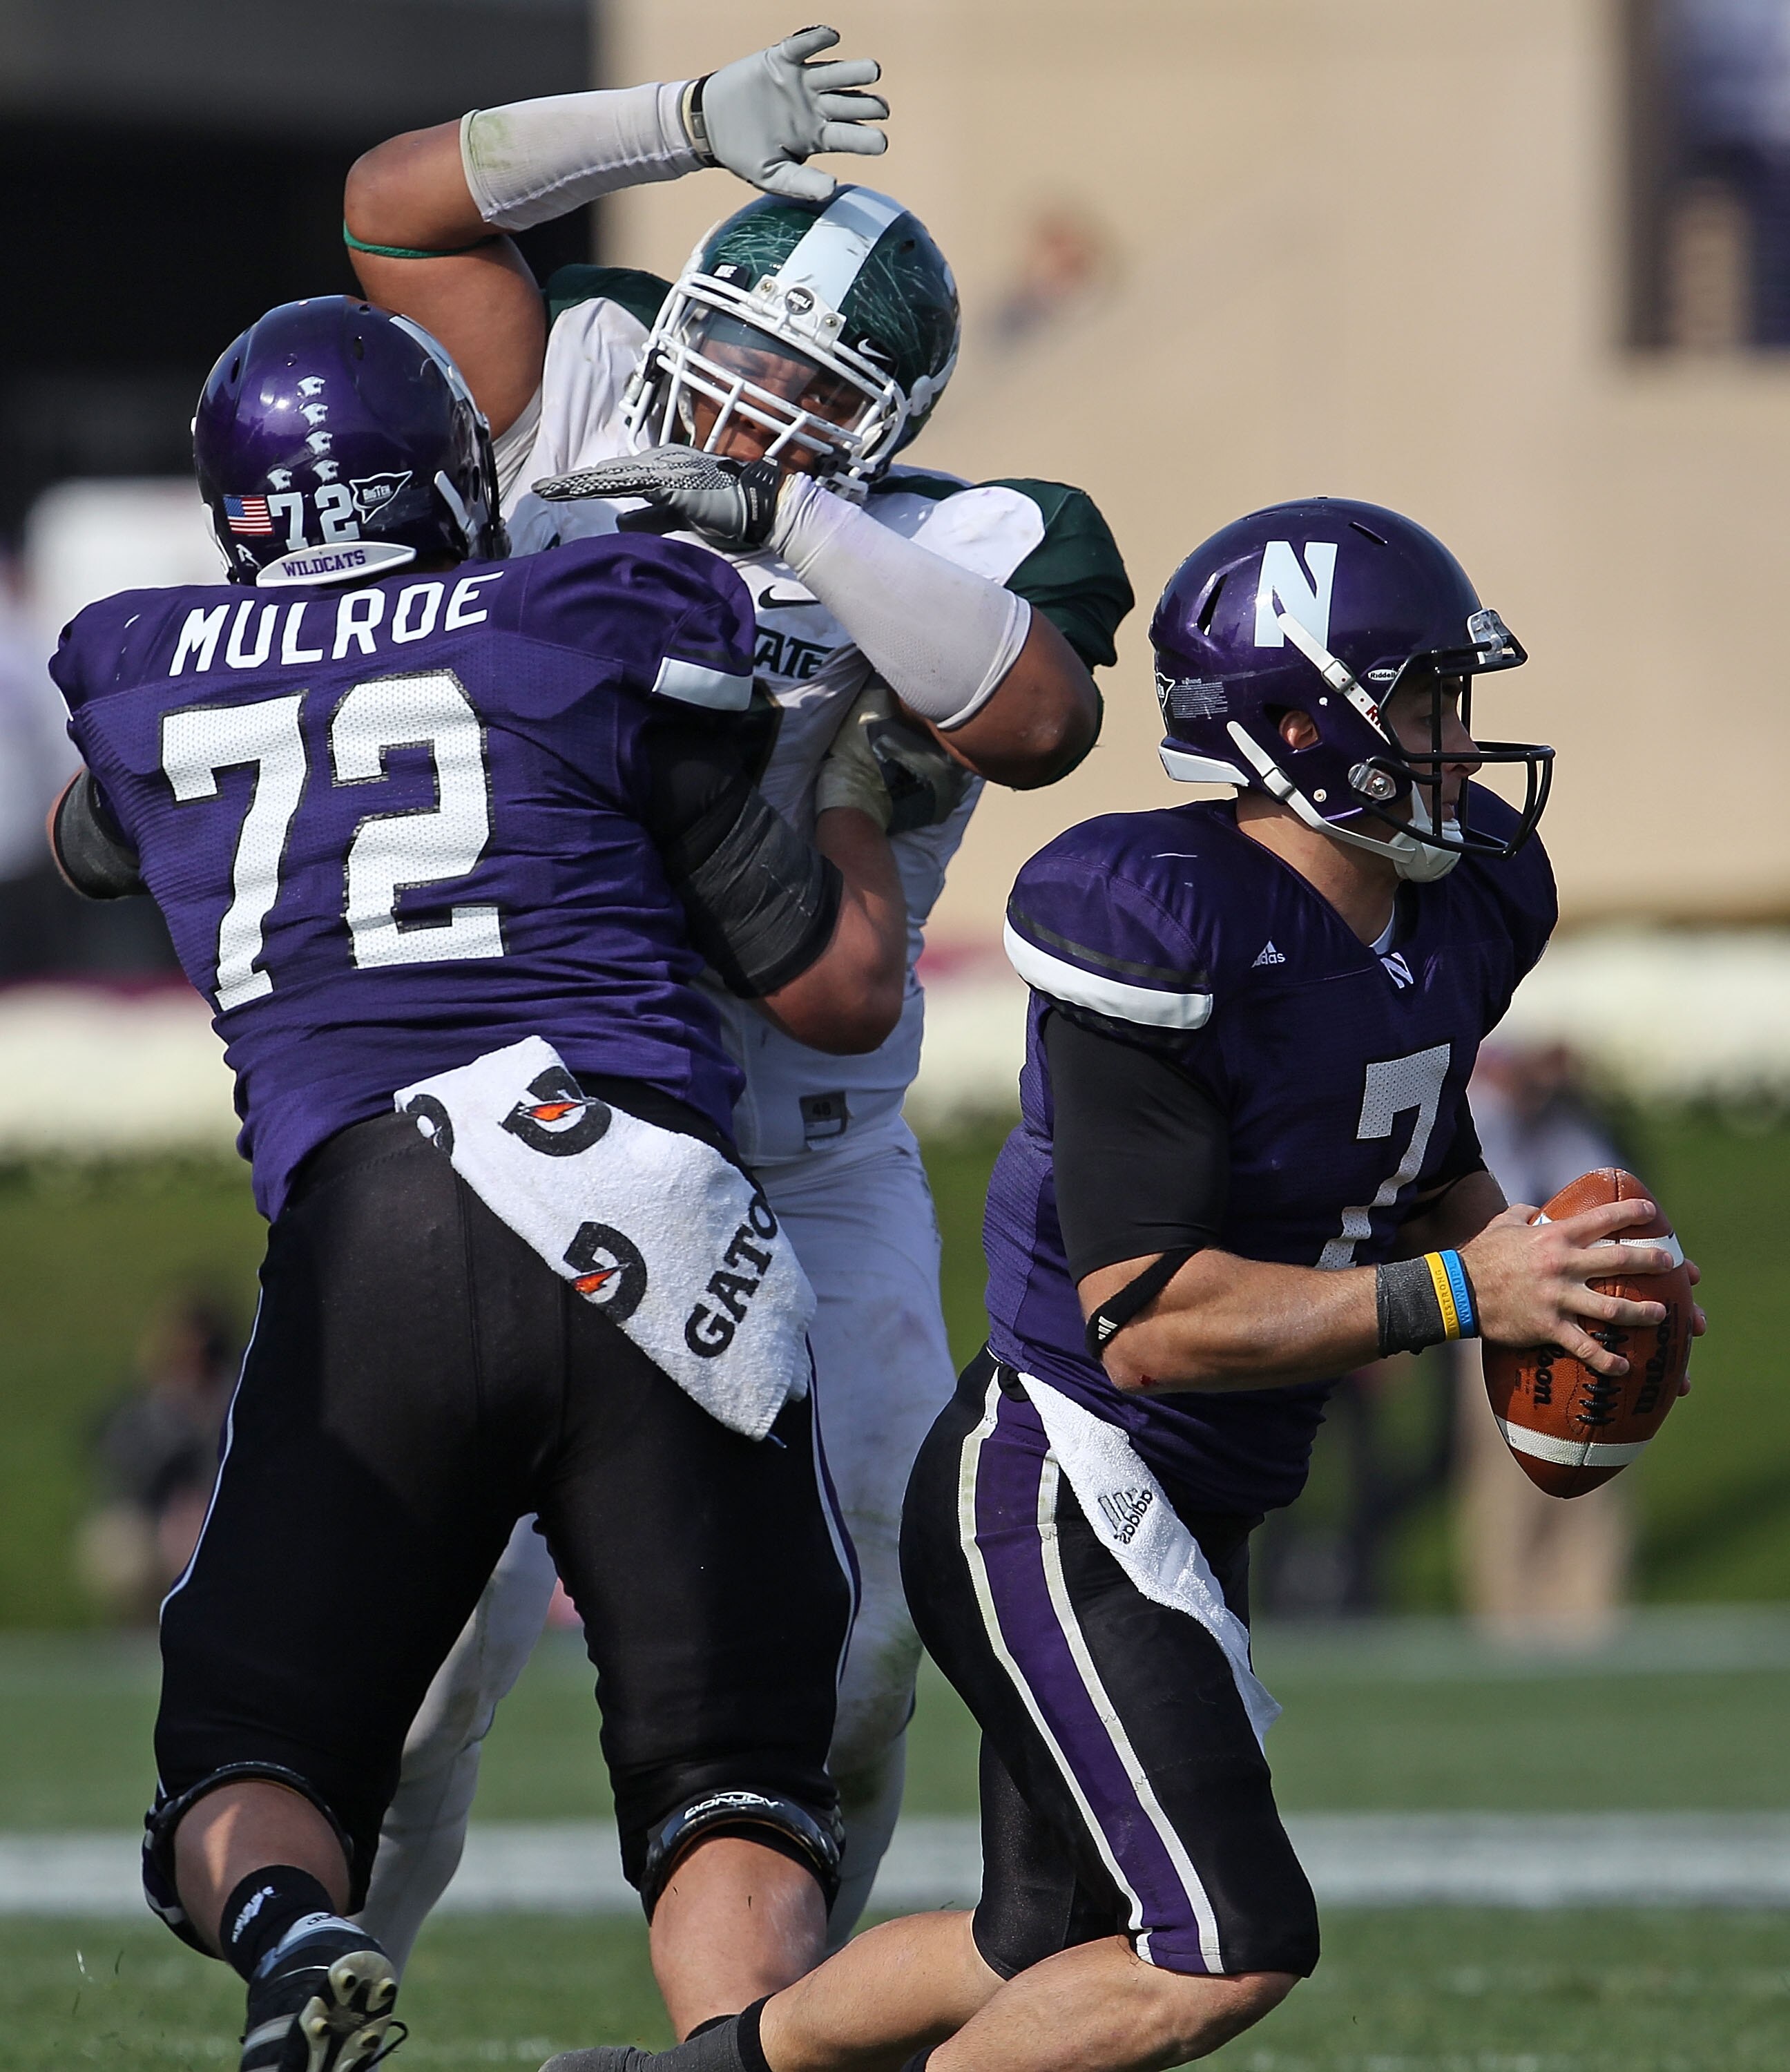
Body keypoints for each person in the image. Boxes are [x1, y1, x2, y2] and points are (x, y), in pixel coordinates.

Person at [534, 498, 1706, 2072]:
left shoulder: (1459, 901)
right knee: (1225, 1943)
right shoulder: (1163, 919)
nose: (1457, 742)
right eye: (1420, 703)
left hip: (1191, 1495)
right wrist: (1456, 1291)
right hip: (1060, 1479)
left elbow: (1411, 1133)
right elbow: (1143, 1319)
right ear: (1299, 724)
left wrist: (1539, 1278)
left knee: (1036, 1941)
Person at [338, 21, 1133, 1964]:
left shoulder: (969, 536)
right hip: (545, 1123)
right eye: (732, 341)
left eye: (803, 386)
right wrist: (678, 123)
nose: (741, 397)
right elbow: (387, 206)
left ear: (881, 420)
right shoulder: (590, 369)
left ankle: (764, 2036)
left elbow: (1035, 715)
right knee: (430, 1657)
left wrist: (790, 528)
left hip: (804, 1151)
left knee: (857, 1662)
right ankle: (321, 1992)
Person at [48, 294, 913, 2072]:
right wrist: (843, 784)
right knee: (729, 1771)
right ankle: (735, 2047)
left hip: (373, 1228)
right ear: (452, 472)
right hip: (647, 1210)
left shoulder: (146, 672)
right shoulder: (586, 617)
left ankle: (300, 1940)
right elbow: (787, 951)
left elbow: (94, 828)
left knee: (250, 1753)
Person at [1454, 1039, 1635, 1635]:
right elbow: (1488, 1213)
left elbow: (1619, 1201)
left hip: (1598, 1319)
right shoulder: (1482, 1123)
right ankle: (1508, 1619)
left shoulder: (1573, 1129)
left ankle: (1588, 1618)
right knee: (1508, 1469)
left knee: (1599, 1465)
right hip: (1507, 1329)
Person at [77, 1294, 240, 1622]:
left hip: (217, 1519)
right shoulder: (147, 1408)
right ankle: (139, 1632)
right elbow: (121, 1469)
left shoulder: (235, 1401)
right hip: (151, 1518)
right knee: (122, 1548)